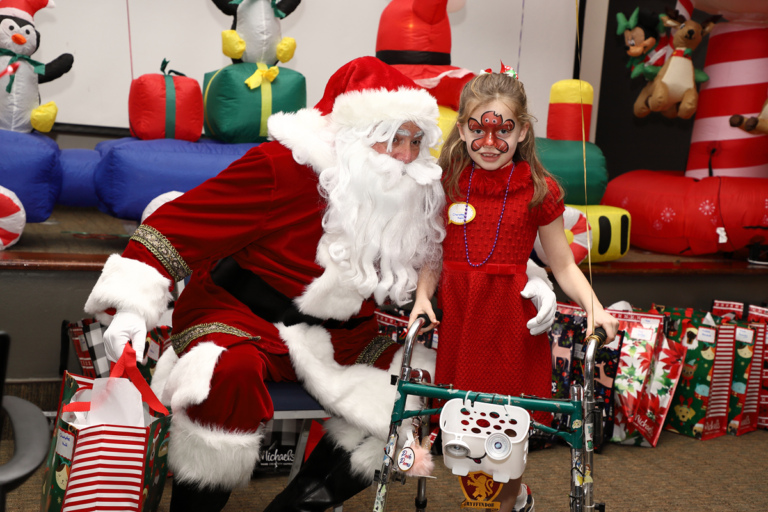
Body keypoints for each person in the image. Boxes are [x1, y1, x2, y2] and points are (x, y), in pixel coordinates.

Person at [83, 56, 558, 512]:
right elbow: (182, 223)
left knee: (417, 389)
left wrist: (534, 283)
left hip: (341, 337)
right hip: (241, 315)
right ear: (353, 134)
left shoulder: (414, 191)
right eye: (392, 139)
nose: (407, 156)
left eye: (416, 141)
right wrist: (131, 304)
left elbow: (476, 250)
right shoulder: (281, 167)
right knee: (227, 374)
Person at [409, 66, 620, 512]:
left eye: (503, 129)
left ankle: (508, 500)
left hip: (510, 325)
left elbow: (562, 263)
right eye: (476, 128)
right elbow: (433, 253)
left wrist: (595, 308)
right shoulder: (445, 183)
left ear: (522, 130)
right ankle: (497, 500)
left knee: (505, 425)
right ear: (462, 128)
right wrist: (424, 296)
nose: (489, 142)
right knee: (463, 427)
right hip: (463, 323)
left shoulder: (538, 190)